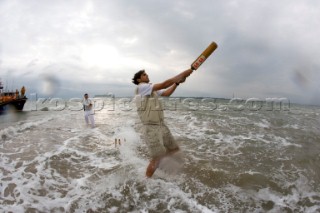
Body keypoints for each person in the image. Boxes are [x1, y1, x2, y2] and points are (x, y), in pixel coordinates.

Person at [132, 68, 193, 178]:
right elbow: (164, 84)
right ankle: (146, 181)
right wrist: (183, 73)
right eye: (144, 75)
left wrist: (177, 83)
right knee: (157, 157)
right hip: (151, 127)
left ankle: (165, 169)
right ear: (139, 79)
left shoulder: (151, 90)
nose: (147, 75)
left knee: (174, 149)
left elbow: (166, 93)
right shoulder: (141, 88)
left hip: (161, 125)